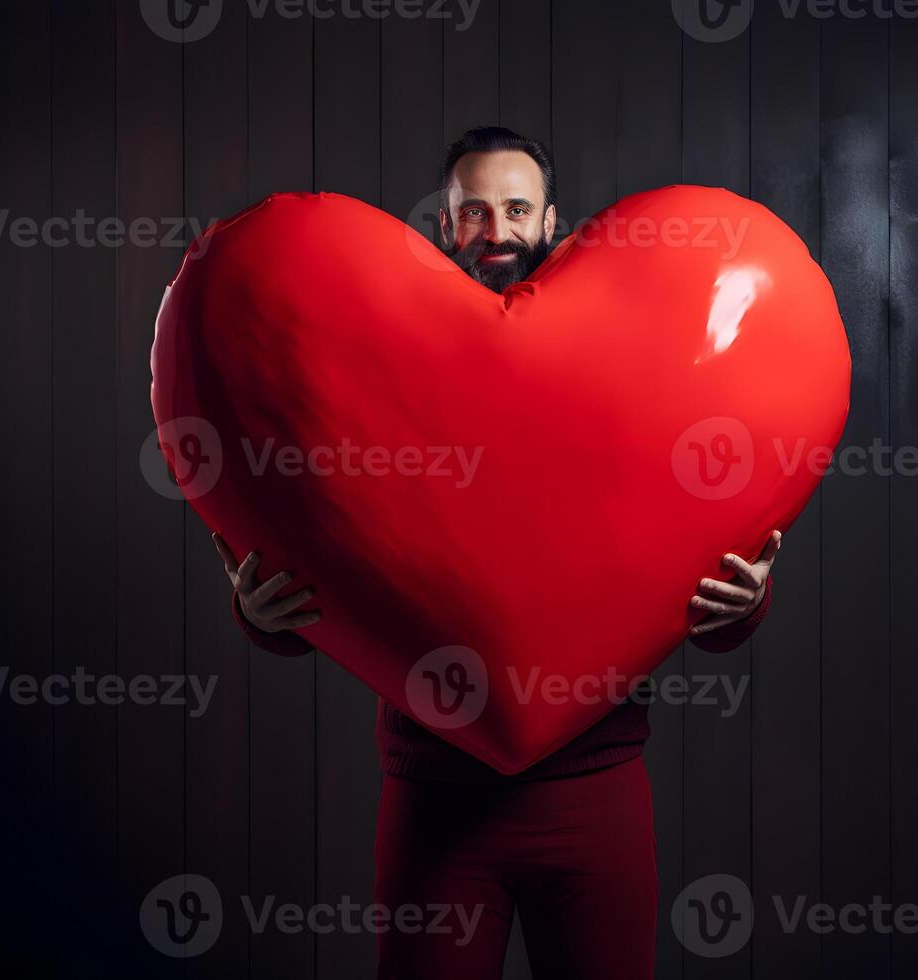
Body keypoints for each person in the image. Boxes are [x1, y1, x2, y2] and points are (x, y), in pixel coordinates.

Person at [211, 126, 781, 979]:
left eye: (516, 208)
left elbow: (682, 556)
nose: (497, 230)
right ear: (444, 227)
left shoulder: (621, 358)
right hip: (436, 806)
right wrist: (262, 619)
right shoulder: (383, 356)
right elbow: (330, 532)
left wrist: (746, 605)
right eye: (473, 211)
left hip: (595, 802)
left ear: (552, 219)